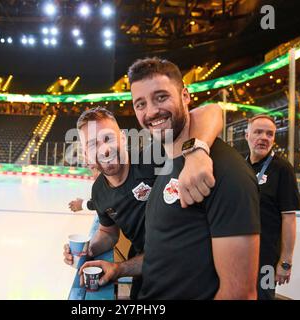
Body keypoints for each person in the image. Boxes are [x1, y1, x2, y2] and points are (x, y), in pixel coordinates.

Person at [80, 57, 261, 300]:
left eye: (161, 97)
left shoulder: (225, 171)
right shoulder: (167, 164)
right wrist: (118, 268)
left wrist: (198, 152)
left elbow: (238, 294)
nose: (152, 111)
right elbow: (161, 257)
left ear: (185, 96)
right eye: (140, 104)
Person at [64, 102, 223, 299]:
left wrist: (196, 153)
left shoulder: (153, 157)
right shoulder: (99, 191)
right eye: (92, 144)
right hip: (146, 265)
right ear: (86, 154)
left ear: (122, 138)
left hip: (191, 265)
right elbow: (108, 232)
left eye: (108, 138)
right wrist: (88, 250)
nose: (104, 149)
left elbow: (212, 111)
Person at [245, 114, 300, 300]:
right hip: (238, 252)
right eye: (258, 132)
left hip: (267, 258)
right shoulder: (240, 166)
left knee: (264, 296)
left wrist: (285, 262)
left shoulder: (283, 169)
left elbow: (289, 218)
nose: (264, 138)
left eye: (269, 134)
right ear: (247, 136)